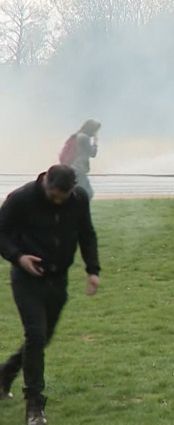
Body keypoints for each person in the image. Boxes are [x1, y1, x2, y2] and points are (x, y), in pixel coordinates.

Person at [0, 165, 100, 425]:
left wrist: (92, 270)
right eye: (54, 195)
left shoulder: (78, 199)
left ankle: (4, 375)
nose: (57, 202)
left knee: (42, 337)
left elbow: (86, 234)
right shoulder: (21, 199)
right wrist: (18, 257)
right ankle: (34, 404)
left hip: (58, 279)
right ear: (46, 183)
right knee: (35, 333)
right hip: (27, 278)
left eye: (62, 198)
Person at [67, 119, 101, 199]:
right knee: (88, 193)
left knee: (77, 191)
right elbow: (92, 154)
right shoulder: (84, 138)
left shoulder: (77, 135)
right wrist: (95, 143)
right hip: (79, 168)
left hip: (73, 166)